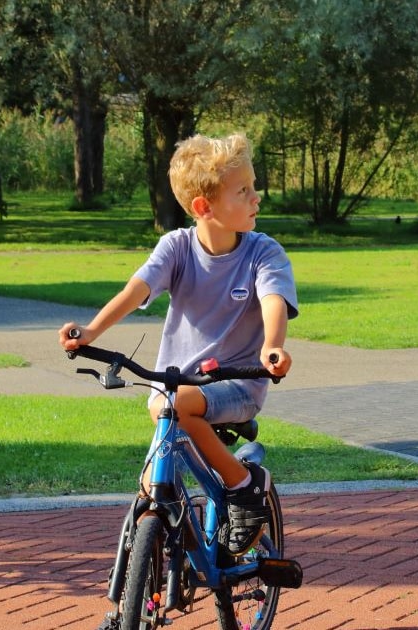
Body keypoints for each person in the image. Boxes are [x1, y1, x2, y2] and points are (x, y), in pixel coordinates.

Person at [59, 133, 298, 558]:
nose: (256, 197)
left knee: (176, 406)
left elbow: (273, 301)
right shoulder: (177, 247)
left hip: (236, 385)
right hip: (175, 387)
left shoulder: (264, 253)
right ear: (204, 208)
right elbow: (138, 288)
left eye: (252, 186)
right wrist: (93, 331)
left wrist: (272, 347)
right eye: (243, 191)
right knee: (150, 487)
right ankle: (138, 593)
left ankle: (245, 485)